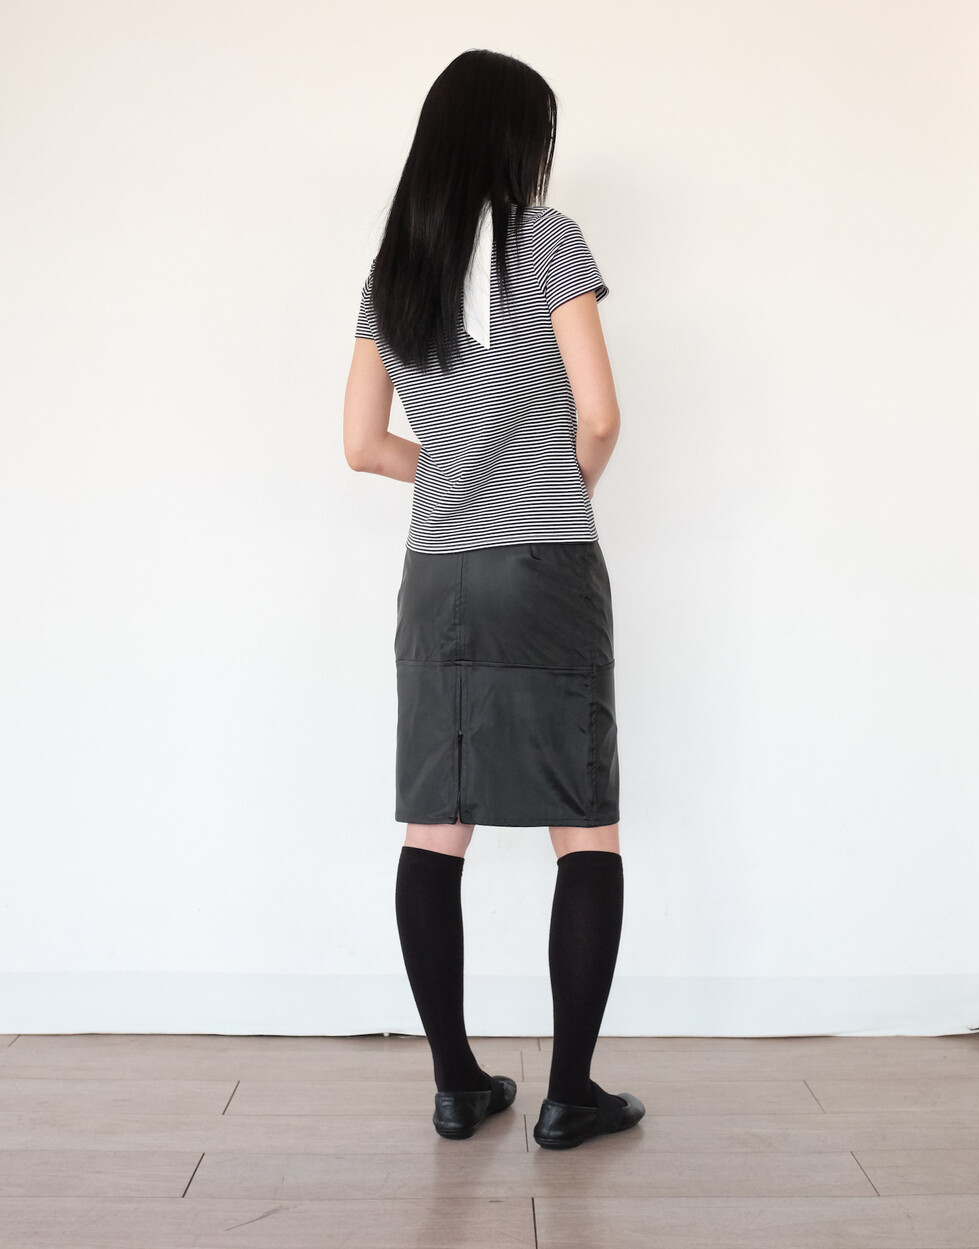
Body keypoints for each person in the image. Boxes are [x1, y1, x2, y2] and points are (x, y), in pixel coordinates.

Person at [343, 48, 644, 1150]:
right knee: (584, 825)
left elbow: (361, 444)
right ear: (516, 140)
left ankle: (456, 1084)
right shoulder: (548, 239)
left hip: (437, 577)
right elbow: (600, 416)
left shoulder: (394, 270)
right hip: (543, 568)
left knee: (436, 823)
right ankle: (569, 1094)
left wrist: (460, 479)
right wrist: (550, 492)